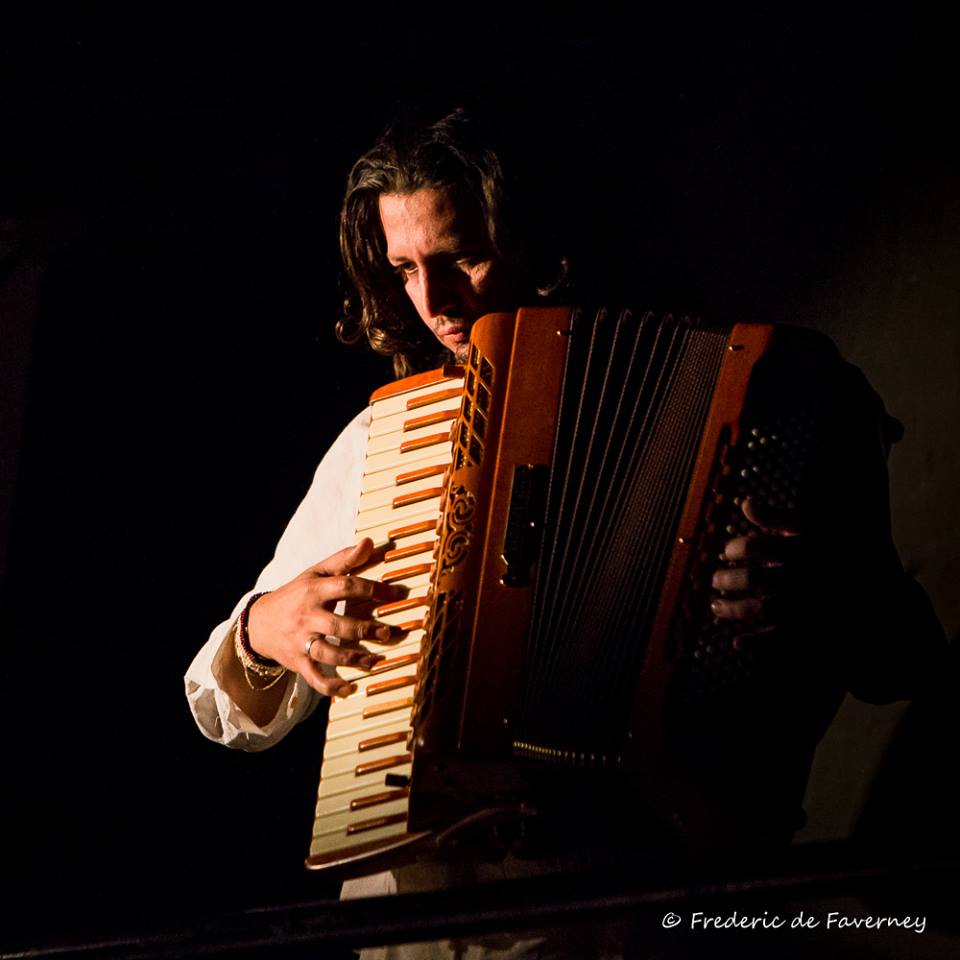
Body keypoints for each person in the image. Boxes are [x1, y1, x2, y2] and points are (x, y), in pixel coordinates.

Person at [185, 103, 947, 956]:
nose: (430, 301)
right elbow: (221, 705)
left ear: (545, 246)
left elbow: (906, 660)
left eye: (462, 258)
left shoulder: (774, 395)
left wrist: (820, 594)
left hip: (649, 903)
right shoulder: (386, 447)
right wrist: (261, 630)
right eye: (403, 269)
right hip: (417, 917)